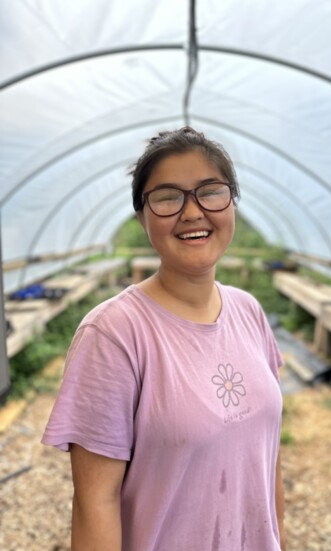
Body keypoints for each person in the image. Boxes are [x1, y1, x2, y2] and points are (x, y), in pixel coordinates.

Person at [42, 126, 286, 551]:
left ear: (232, 203)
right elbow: (95, 502)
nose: (192, 212)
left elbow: (268, 463)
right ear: (142, 217)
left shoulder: (249, 312)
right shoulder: (114, 334)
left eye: (210, 191)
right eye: (168, 197)